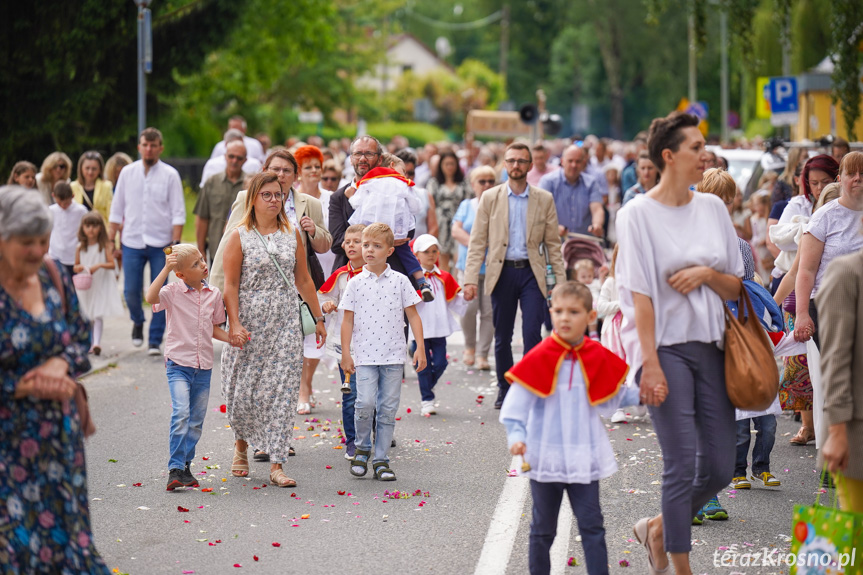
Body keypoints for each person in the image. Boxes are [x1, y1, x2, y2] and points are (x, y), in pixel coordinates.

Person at [618, 112, 743, 575]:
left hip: (714, 348)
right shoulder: (636, 215)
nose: (704, 154)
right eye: (696, 147)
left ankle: (655, 527)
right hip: (665, 350)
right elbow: (642, 299)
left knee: (718, 468)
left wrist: (709, 275)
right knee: (678, 462)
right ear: (669, 156)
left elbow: (735, 287)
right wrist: (649, 364)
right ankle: (680, 567)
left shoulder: (712, 208)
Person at [0, 186, 111, 574]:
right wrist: (19, 385)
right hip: (7, 452)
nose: (36, 251)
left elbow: (80, 340)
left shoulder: (50, 276)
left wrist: (60, 366)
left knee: (67, 547)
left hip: (58, 446)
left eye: (42, 241)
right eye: (25, 242)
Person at [501, 281, 639, 575]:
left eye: (574, 312)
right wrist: (517, 436)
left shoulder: (596, 355)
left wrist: (645, 394)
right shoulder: (539, 357)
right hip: (545, 457)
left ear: (590, 316)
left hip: (583, 456)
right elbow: (515, 409)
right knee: (542, 529)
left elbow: (612, 398)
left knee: (592, 526)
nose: (565, 318)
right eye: (559, 311)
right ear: (550, 313)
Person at [220, 172, 327, 488]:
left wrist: (318, 318)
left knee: (282, 392)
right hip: (249, 324)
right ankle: (241, 445)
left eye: (278, 195)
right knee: (242, 391)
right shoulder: (238, 236)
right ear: (253, 198)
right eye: (266, 194)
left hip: (285, 323)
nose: (273, 200)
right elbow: (231, 284)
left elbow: (304, 280)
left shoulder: (292, 232)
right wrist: (235, 322)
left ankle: (277, 463)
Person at [210, 149, 330, 422]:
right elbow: (228, 249)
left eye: (287, 171)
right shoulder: (245, 200)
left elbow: (321, 249)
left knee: (282, 376)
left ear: (295, 176)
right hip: (251, 303)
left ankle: (277, 439)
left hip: (288, 302)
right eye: (275, 169)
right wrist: (221, 302)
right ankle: (246, 438)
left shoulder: (309, 203)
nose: (281, 176)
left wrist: (312, 230)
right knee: (247, 377)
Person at [463, 143, 566, 409]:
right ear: (505, 164)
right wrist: (471, 279)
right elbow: (477, 242)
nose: (516, 165)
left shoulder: (544, 199)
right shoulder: (490, 197)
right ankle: (505, 389)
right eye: (511, 161)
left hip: (532, 272)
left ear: (531, 166)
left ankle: (531, 389)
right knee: (503, 335)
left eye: (522, 161)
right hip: (503, 272)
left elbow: (553, 245)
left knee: (533, 332)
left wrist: (562, 286)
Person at [339, 223, 426, 481]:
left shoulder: (400, 281)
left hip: (393, 357)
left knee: (387, 409)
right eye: (366, 245)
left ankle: (381, 460)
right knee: (364, 404)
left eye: (376, 246)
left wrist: (419, 347)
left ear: (389, 251)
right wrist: (346, 353)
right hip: (365, 356)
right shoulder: (355, 283)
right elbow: (347, 320)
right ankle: (363, 447)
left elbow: (414, 315)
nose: (369, 250)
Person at [145, 244, 232, 490]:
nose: (203, 265)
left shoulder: (214, 294)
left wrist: (231, 339)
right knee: (181, 412)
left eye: (202, 260)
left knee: (195, 421)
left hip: (203, 367)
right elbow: (151, 298)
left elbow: (214, 328)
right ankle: (174, 468)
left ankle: (185, 466)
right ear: (181, 274)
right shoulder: (172, 291)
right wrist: (166, 269)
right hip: (178, 364)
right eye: (195, 264)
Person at [109, 128, 185, 355]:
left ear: (160, 148)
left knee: (159, 292)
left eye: (153, 145)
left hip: (161, 243)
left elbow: (178, 211)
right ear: (139, 147)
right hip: (131, 240)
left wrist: (176, 242)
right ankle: (137, 320)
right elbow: (116, 209)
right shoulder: (127, 173)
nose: (149, 149)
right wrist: (111, 242)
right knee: (131, 291)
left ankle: (154, 339)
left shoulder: (170, 175)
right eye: (145, 145)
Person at [794, 152, 863, 350]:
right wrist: (802, 313)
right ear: (840, 180)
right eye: (852, 173)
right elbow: (805, 270)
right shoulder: (824, 217)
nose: (858, 178)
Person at [818, 216, 863, 512]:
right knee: (855, 548)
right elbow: (835, 357)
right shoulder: (848, 273)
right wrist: (835, 432)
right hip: (856, 434)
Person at [348, 166, 435, 301]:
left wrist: (351, 195)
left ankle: (366, 279)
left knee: (367, 251)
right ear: (392, 166)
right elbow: (416, 206)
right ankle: (422, 283)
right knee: (406, 253)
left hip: (372, 230)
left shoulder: (370, 181)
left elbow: (355, 202)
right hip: (397, 230)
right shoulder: (402, 184)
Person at [318, 223, 366, 459]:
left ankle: (370, 431)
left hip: (375, 343)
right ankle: (353, 441)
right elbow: (325, 297)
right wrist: (326, 305)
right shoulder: (340, 276)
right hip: (346, 344)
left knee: (372, 395)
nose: (351, 245)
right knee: (352, 394)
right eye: (348, 241)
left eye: (357, 241)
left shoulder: (382, 275)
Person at [294, 144, 337, 414]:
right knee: (301, 328)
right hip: (299, 271)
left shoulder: (332, 199)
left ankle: (306, 384)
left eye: (317, 166)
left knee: (317, 328)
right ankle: (302, 388)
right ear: (299, 171)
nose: (313, 171)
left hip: (327, 268)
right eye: (307, 166)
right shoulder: (290, 200)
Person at [409, 234, 467, 416]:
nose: (431, 255)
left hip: (439, 328)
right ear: (416, 255)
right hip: (420, 329)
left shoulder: (444, 277)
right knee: (424, 365)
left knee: (441, 362)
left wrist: (467, 298)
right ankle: (427, 399)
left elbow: (453, 299)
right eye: (426, 251)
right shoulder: (411, 278)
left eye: (434, 251)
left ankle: (426, 384)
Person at [452, 165, 496, 371]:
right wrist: (476, 244)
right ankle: (470, 346)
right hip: (467, 266)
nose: (486, 185)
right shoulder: (466, 205)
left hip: (492, 267)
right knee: (468, 309)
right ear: (473, 184)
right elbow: (456, 230)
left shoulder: (498, 205)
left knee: (489, 312)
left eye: (490, 181)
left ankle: (482, 353)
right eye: (482, 181)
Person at [74, 211, 124, 355]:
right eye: (88, 226)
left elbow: (112, 264)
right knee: (87, 314)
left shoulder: (104, 246)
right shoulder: (79, 247)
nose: (91, 229)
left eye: (94, 226)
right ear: (83, 228)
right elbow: (76, 265)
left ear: (100, 228)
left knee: (97, 314)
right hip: (86, 285)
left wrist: (98, 265)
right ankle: (89, 342)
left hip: (100, 283)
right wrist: (80, 268)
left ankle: (96, 343)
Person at [195, 140, 250, 264]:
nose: (234, 161)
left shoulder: (251, 184)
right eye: (231, 156)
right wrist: (201, 248)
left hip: (243, 250)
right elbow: (202, 217)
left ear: (245, 160)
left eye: (239, 158)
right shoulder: (212, 182)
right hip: (216, 247)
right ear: (225, 156)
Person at [539, 145, 604, 238]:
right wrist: (552, 227)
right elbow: (541, 210)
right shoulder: (548, 181)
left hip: (583, 243)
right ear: (562, 161)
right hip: (555, 242)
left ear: (583, 163)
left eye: (578, 161)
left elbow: (597, 208)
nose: (574, 165)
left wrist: (597, 225)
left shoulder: (591, 183)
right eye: (570, 161)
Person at [426, 149, 472, 272]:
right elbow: (430, 204)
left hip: (459, 223)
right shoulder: (434, 182)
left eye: (452, 163)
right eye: (446, 164)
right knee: (442, 258)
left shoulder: (464, 183)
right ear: (441, 166)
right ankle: (444, 288)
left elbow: (469, 201)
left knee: (459, 257)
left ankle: (456, 289)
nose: (449, 167)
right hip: (441, 223)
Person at [396, 148, 438, 238]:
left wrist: (422, 248)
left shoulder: (425, 195)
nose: (407, 177)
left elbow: (433, 228)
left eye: (410, 173)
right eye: (403, 173)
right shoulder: (386, 196)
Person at [48, 182, 88, 277]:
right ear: (53, 196)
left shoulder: (81, 211)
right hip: (55, 255)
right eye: (59, 203)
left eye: (66, 203)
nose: (62, 206)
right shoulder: (51, 210)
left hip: (74, 257)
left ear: (73, 196)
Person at [71, 150, 114, 225]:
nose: (90, 172)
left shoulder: (106, 186)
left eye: (94, 169)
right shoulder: (72, 186)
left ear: (100, 169)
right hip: (78, 230)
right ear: (81, 168)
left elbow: (110, 212)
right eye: (87, 168)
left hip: (100, 229)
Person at [573, 258, 602, 339]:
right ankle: (593, 333)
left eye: (590, 276)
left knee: (605, 313)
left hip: (599, 306)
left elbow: (603, 285)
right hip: (588, 306)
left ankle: (605, 331)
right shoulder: (578, 286)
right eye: (583, 277)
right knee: (592, 312)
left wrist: (602, 276)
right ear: (577, 277)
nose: (587, 279)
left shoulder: (595, 283)